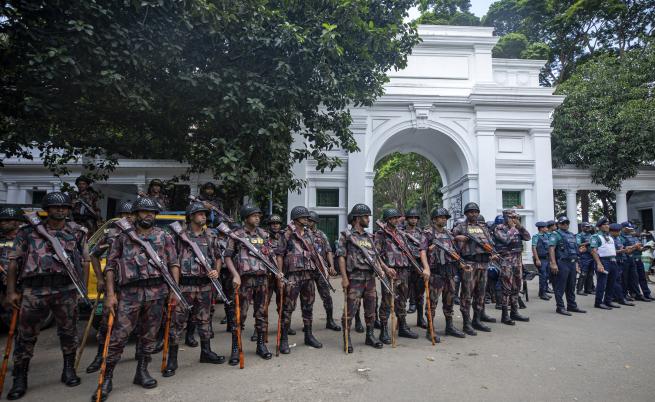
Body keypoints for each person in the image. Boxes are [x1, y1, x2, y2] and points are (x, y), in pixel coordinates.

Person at [5, 192, 89, 400]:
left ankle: (69, 370)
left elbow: (85, 261)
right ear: (47, 209)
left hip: (66, 288)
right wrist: (11, 291)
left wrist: (82, 289)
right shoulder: (28, 231)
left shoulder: (77, 232)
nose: (60, 210)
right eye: (55, 207)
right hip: (35, 290)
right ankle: (20, 377)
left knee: (69, 332)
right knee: (26, 336)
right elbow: (14, 261)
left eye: (65, 207)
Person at [95, 197, 180, 401]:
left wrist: (174, 290)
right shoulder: (122, 237)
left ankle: (141, 372)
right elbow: (110, 266)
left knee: (149, 336)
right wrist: (110, 294)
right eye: (143, 211)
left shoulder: (164, 236)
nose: (148, 215)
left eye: (152, 212)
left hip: (156, 293)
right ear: (134, 214)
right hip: (129, 294)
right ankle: (107, 378)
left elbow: (174, 263)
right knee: (118, 337)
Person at [163, 202, 224, 377]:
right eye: (199, 213)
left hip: (204, 285)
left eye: (204, 213)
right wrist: (173, 287)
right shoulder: (178, 235)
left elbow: (218, 257)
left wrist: (216, 272)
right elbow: (170, 260)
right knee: (177, 322)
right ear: (190, 216)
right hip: (184, 285)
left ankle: (206, 352)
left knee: (205, 320)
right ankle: (172, 360)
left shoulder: (211, 236)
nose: (203, 216)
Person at [224, 205, 278, 363]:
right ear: (246, 217)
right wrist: (235, 275)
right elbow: (227, 256)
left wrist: (277, 271)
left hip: (262, 279)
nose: (257, 218)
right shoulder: (236, 235)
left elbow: (270, 254)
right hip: (244, 280)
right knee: (240, 315)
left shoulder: (264, 234)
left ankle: (261, 345)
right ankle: (236, 348)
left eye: (258, 216)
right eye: (254, 215)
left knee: (261, 314)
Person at [85, 200, 133, 374]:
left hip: (134, 286)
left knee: (139, 323)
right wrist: (99, 278)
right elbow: (94, 255)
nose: (127, 218)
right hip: (114, 286)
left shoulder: (139, 233)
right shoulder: (110, 234)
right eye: (124, 215)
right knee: (106, 324)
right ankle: (100, 356)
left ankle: (139, 356)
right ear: (118, 217)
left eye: (130, 215)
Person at [338, 204, 388, 352]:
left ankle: (370, 336)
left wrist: (384, 269)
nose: (368, 219)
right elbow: (341, 257)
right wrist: (344, 278)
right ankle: (347, 338)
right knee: (350, 310)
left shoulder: (369, 237)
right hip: (354, 278)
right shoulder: (346, 235)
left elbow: (376, 257)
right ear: (357, 218)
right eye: (366, 216)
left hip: (370, 278)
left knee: (371, 308)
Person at [375, 208, 429, 343]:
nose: (396, 220)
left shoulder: (401, 234)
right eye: (393, 218)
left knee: (402, 300)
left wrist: (419, 268)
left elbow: (408, 253)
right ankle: (383, 331)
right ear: (387, 220)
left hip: (404, 270)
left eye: (397, 218)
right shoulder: (381, 234)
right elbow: (375, 255)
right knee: (387, 301)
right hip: (390, 272)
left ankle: (403, 327)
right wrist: (385, 268)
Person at [276, 206, 322, 354]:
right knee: (288, 308)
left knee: (308, 307)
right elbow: (279, 255)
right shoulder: (286, 234)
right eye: (304, 217)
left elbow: (315, 253)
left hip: (308, 275)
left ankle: (308, 335)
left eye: (308, 218)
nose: (307, 220)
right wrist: (280, 274)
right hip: (293, 276)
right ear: (296, 219)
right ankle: (283, 339)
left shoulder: (309, 234)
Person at [452, 202, 495, 335]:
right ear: (466, 213)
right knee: (467, 295)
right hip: (469, 264)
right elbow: (450, 241)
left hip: (483, 263)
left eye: (476, 211)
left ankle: (477, 319)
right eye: (471, 211)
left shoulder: (483, 227)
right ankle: (466, 323)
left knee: (480, 294)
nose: (474, 214)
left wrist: (492, 253)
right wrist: (458, 238)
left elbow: (490, 242)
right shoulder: (460, 227)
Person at [423, 208, 465, 341]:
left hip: (450, 271)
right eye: (441, 217)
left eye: (445, 217)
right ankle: (430, 330)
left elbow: (454, 251)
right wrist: (426, 268)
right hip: (436, 272)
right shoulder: (428, 233)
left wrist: (461, 264)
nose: (444, 219)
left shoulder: (448, 233)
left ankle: (450, 326)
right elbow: (422, 251)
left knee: (449, 300)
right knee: (432, 302)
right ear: (434, 219)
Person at [493, 209, 530, 324]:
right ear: (505, 217)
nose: (514, 219)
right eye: (511, 217)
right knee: (506, 288)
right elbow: (506, 240)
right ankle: (505, 315)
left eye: (515, 217)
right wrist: (513, 228)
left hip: (518, 261)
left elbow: (528, 237)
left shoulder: (517, 228)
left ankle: (514, 312)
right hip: (506, 261)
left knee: (516, 287)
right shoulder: (499, 228)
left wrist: (520, 227)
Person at [307, 211, 340, 331]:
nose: (307, 222)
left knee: (327, 296)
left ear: (315, 222)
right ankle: (307, 324)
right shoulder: (302, 235)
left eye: (310, 220)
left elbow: (328, 250)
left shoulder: (321, 235)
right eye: (307, 220)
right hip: (308, 270)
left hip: (321, 269)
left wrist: (331, 266)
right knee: (308, 298)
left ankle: (330, 321)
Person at [548, 216, 586, 316]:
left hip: (572, 263)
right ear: (558, 224)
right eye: (563, 223)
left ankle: (572, 305)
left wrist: (577, 263)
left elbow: (575, 251)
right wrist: (553, 263)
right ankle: (560, 307)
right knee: (560, 286)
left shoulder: (571, 235)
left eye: (567, 223)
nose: (565, 225)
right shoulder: (555, 234)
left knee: (571, 285)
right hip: (562, 263)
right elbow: (551, 249)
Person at [403, 208, 428, 329]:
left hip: (418, 265)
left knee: (420, 294)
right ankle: (401, 322)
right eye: (411, 217)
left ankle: (420, 319)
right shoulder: (400, 232)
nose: (413, 220)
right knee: (402, 294)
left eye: (415, 218)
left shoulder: (422, 232)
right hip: (405, 265)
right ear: (407, 219)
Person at [0, 207, 24, 325]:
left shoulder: (25, 239)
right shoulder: (2, 238)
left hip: (19, 282)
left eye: (7, 220)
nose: (2, 223)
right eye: (2, 220)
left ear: (17, 222)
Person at [589, 217, 620, 310]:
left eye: (608, 224)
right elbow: (594, 251)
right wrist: (599, 263)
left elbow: (612, 251)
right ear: (599, 226)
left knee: (612, 282)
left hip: (613, 261)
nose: (607, 226)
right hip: (603, 261)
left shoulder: (610, 237)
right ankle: (598, 302)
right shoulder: (595, 237)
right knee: (602, 283)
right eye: (605, 224)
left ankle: (608, 301)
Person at [620, 222, 654, 301]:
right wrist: (635, 247)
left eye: (632, 229)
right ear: (623, 229)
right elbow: (625, 250)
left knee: (642, 277)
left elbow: (640, 247)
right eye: (630, 229)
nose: (632, 230)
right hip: (629, 258)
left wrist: (644, 248)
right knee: (630, 279)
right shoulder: (621, 237)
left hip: (638, 258)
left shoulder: (634, 237)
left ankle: (646, 293)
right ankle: (633, 294)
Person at [609, 223, 635, 306]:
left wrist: (627, 249)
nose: (619, 232)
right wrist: (622, 251)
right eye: (618, 231)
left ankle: (616, 297)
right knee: (616, 280)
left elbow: (621, 248)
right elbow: (610, 252)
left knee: (618, 280)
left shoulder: (618, 239)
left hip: (621, 260)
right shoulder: (610, 239)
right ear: (613, 231)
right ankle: (620, 298)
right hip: (614, 261)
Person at [531, 221, 551, 301]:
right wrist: (537, 259)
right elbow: (534, 248)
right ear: (541, 228)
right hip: (541, 259)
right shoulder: (536, 236)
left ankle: (543, 292)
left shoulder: (546, 236)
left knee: (546, 276)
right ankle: (542, 294)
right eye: (546, 227)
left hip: (546, 258)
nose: (547, 228)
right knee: (543, 276)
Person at [575, 222, 595, 295]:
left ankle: (588, 289)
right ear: (582, 227)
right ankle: (579, 290)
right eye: (586, 227)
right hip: (584, 256)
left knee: (590, 274)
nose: (588, 228)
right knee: (583, 273)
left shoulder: (591, 235)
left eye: (589, 227)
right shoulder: (579, 235)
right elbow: (578, 244)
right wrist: (587, 243)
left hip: (592, 255)